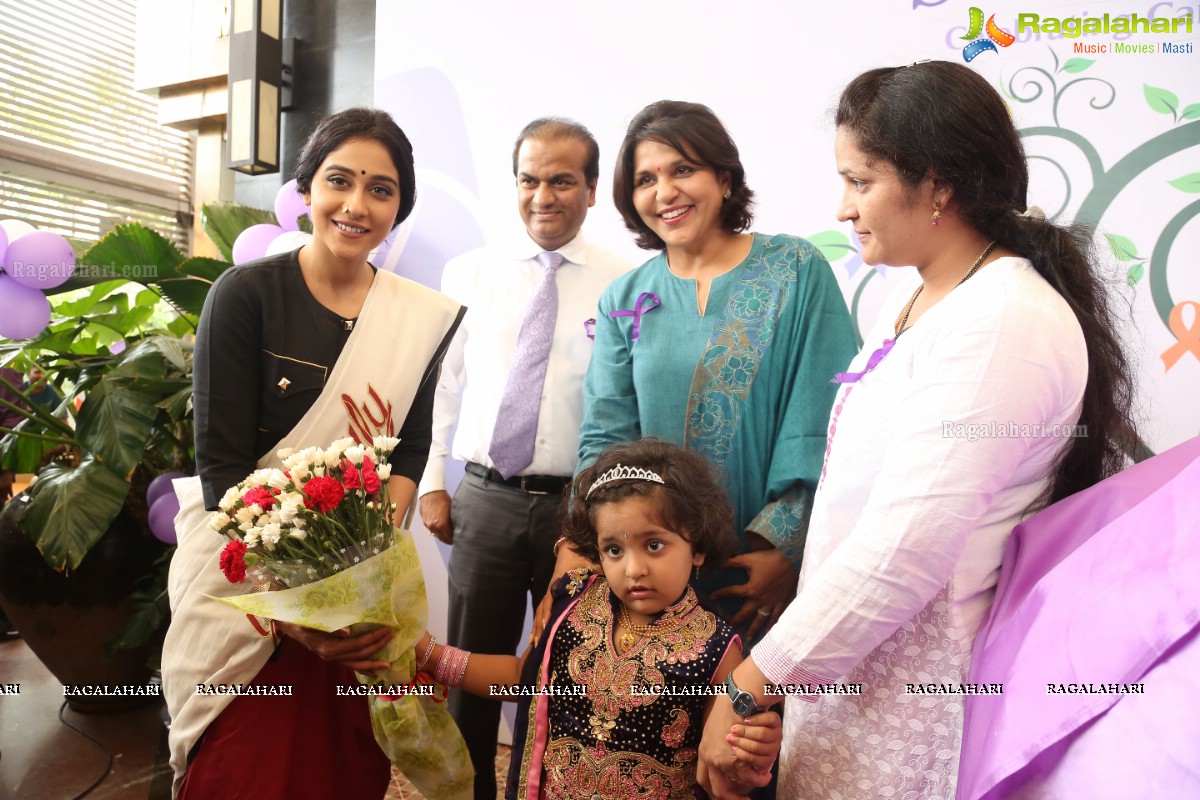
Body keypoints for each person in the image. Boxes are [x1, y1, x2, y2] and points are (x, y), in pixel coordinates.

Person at [697, 60, 1136, 800]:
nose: (843, 207)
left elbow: (906, 549)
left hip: (917, 702)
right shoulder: (921, 300)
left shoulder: (1000, 321)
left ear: (938, 184)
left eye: (860, 181)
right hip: (854, 683)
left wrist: (754, 679)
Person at [161, 108, 466, 799]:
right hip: (246, 590)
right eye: (340, 181)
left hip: (356, 596)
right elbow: (223, 471)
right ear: (306, 189)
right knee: (249, 768)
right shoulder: (245, 296)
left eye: (381, 190)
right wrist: (299, 613)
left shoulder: (419, 319)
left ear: (399, 208)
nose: (357, 206)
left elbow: (407, 450)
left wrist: (360, 574)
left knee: (343, 768)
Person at [572, 100, 857, 644]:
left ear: (723, 178)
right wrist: (594, 548)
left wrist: (784, 549)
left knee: (750, 725)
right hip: (650, 576)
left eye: (683, 169)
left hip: (762, 573)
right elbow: (605, 439)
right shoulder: (625, 299)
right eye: (645, 179)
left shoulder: (796, 270)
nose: (665, 192)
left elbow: (828, 423)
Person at [417, 117, 631, 799]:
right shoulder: (468, 272)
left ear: (592, 189)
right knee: (469, 675)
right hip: (484, 497)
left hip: (582, 512)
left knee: (564, 676)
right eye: (530, 179)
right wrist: (430, 483)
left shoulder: (627, 282)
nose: (545, 195)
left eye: (563, 180)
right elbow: (440, 386)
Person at [416, 438, 781, 800]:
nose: (634, 569)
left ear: (697, 548)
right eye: (614, 550)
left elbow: (723, 764)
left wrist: (751, 754)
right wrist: (431, 655)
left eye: (654, 545)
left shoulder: (716, 648)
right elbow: (520, 680)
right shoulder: (573, 605)